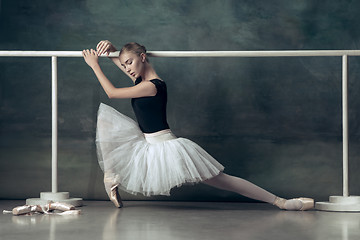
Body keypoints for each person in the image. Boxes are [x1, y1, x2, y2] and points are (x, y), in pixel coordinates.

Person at [82, 40, 314, 210]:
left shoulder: (152, 86)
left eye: (130, 62)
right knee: (107, 120)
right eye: (124, 65)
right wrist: (112, 50)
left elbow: (112, 93)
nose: (127, 68)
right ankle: (111, 176)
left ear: (143, 57)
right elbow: (124, 65)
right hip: (147, 144)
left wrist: (94, 65)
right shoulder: (139, 79)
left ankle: (280, 202)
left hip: (166, 146)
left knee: (222, 180)